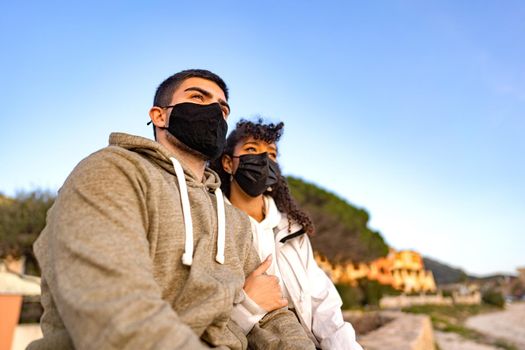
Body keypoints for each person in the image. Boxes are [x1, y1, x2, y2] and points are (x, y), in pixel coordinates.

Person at [29, 70, 314, 350]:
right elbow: (116, 313)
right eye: (198, 97)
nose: (215, 111)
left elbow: (274, 316)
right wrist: (244, 308)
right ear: (159, 115)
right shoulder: (112, 172)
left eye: (223, 108)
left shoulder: (233, 221)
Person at [210, 119, 363, 350]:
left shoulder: (292, 230)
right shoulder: (212, 222)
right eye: (251, 149)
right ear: (228, 163)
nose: (263, 160)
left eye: (271, 154)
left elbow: (323, 304)